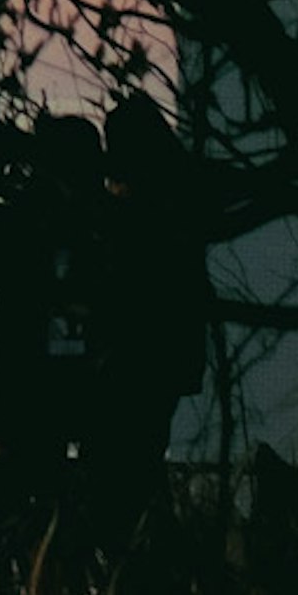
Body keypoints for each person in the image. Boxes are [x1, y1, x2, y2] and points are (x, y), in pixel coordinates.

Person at [80, 93, 215, 541]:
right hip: (162, 360)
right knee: (140, 457)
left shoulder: (143, 215)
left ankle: (126, 547)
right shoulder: (180, 200)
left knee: (122, 465)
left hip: (135, 359)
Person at [0, 113, 106, 488]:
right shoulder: (100, 224)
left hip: (18, 386)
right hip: (71, 386)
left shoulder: (29, 218)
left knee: (16, 494)